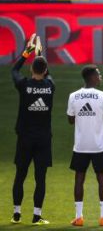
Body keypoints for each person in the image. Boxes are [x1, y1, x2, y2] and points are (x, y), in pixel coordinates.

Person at [11, 33, 52, 225]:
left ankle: (16, 214)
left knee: (20, 176)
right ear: (45, 70)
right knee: (40, 178)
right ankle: (36, 216)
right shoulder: (50, 86)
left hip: (25, 138)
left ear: (31, 68)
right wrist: (40, 53)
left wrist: (27, 52)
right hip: (43, 139)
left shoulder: (24, 85)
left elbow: (14, 70)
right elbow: (47, 72)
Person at [67, 65, 103, 227]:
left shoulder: (73, 96)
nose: (100, 77)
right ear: (92, 77)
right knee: (102, 179)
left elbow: (70, 120)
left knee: (79, 179)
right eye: (98, 74)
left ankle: (78, 217)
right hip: (98, 145)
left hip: (81, 145)